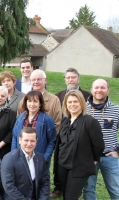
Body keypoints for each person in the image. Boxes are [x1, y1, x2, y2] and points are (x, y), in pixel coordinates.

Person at [53, 90, 104, 200]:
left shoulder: (90, 121)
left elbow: (99, 144)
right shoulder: (65, 121)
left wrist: (94, 159)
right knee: (66, 195)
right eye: (69, 102)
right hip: (62, 164)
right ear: (65, 104)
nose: (72, 104)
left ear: (81, 103)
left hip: (79, 166)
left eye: (75, 101)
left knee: (71, 197)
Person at [51, 67, 91, 198]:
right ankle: (59, 187)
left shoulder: (87, 96)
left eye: (73, 77)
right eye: (68, 77)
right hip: (63, 134)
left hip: (81, 135)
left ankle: (75, 189)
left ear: (78, 79)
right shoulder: (59, 95)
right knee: (59, 162)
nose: (70, 80)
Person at [83, 79, 119, 200]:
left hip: (110, 157)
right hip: (88, 158)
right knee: (88, 189)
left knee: (116, 190)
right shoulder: (83, 110)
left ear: (108, 90)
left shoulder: (116, 110)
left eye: (103, 88)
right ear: (91, 90)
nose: (99, 90)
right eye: (96, 87)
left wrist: (118, 151)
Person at [1, 127, 50, 200]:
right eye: (26, 140)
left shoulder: (40, 158)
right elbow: (9, 186)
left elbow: (45, 183)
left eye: (32, 141)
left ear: (36, 141)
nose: (29, 144)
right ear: (20, 140)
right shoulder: (9, 159)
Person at [12, 90, 57, 163]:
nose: (32, 104)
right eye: (29, 101)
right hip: (20, 159)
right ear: (26, 103)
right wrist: (14, 154)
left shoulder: (47, 120)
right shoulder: (20, 118)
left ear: (40, 103)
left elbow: (52, 141)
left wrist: (45, 158)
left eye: (35, 101)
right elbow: (15, 137)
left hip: (38, 159)